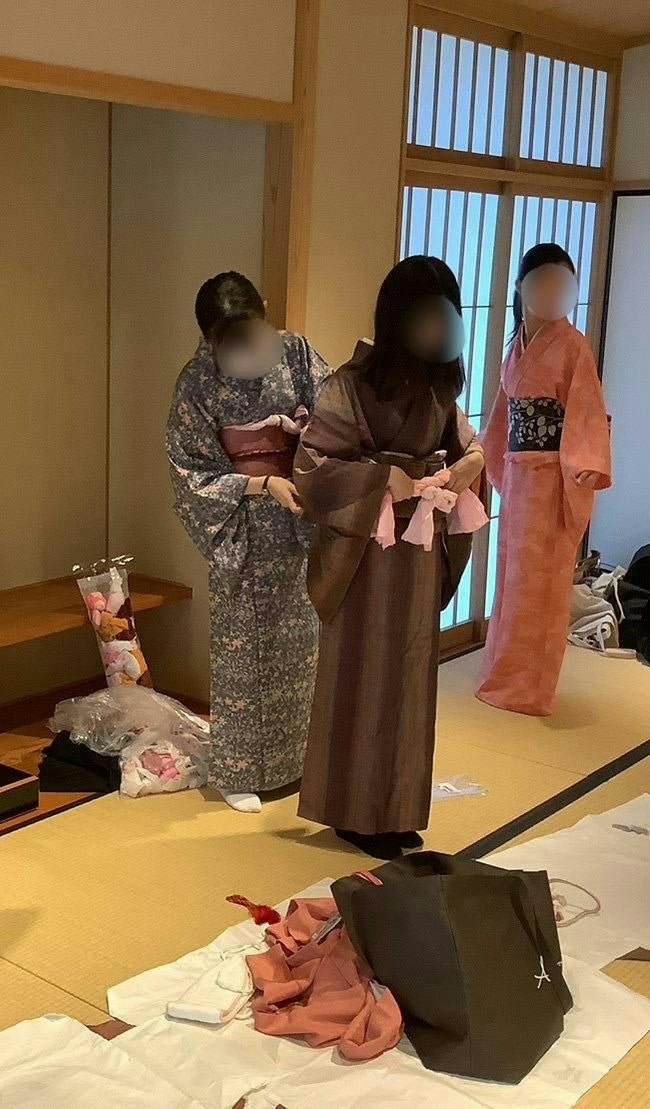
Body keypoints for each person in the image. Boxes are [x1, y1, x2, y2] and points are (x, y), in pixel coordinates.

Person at [294, 256, 485, 859]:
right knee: (364, 678)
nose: (437, 328)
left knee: (410, 679)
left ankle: (396, 810)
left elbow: (468, 445)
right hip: (367, 557)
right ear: (397, 318)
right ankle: (353, 814)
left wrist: (470, 464)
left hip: (419, 551)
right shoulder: (350, 385)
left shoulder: (438, 386)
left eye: (444, 316)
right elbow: (312, 466)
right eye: (426, 316)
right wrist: (384, 481)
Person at [166, 272, 330, 813]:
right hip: (243, 526)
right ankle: (238, 773)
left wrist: (304, 443)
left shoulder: (296, 354)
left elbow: (337, 418)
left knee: (304, 649)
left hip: (302, 518)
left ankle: (300, 762)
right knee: (244, 653)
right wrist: (259, 484)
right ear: (209, 338)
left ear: (264, 309)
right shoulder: (197, 382)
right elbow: (190, 469)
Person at [475, 244, 611, 716]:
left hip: (553, 477)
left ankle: (530, 688)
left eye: (561, 284)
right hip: (518, 476)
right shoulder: (517, 345)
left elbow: (588, 410)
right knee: (512, 580)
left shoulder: (572, 345)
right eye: (544, 282)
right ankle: (502, 676)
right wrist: (482, 453)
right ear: (522, 287)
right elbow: (502, 415)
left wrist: (586, 462)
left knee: (543, 585)